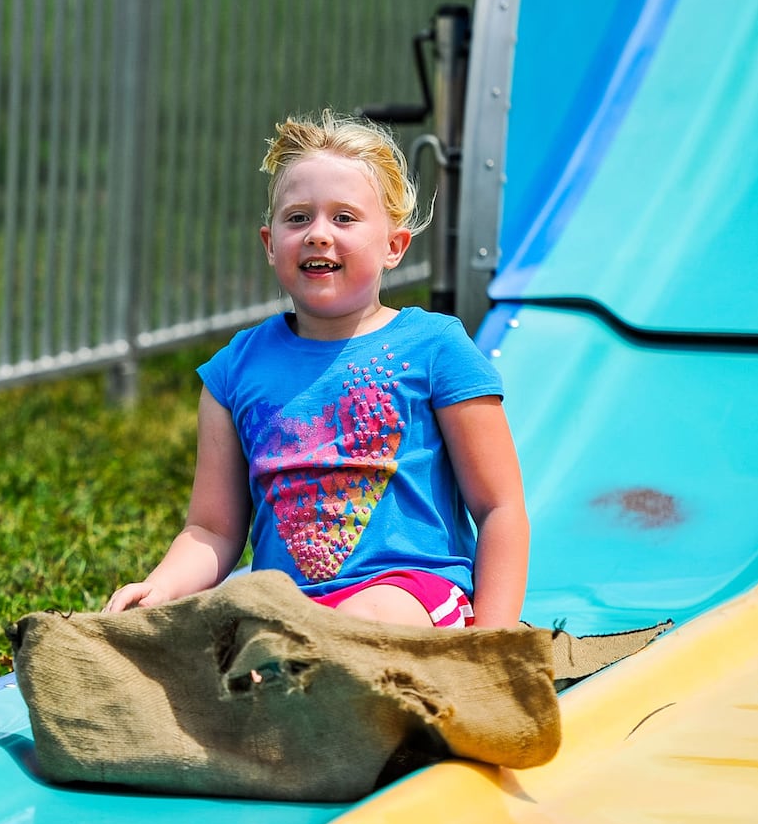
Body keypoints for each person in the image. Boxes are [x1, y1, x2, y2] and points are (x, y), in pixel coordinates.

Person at [106, 110, 529, 628]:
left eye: (344, 218)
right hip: (290, 611)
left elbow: (499, 508)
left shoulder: (435, 348)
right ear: (269, 243)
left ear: (394, 246)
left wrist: (494, 639)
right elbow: (212, 530)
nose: (318, 234)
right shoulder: (236, 370)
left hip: (410, 594)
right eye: (298, 217)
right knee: (230, 640)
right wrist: (160, 587)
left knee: (360, 622)